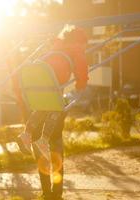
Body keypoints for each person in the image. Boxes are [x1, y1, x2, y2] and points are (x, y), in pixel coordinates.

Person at [16, 27, 88, 200]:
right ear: (80, 42)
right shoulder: (77, 51)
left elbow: (39, 66)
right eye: (85, 45)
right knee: (56, 150)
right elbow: (82, 76)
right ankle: (56, 193)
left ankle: (46, 191)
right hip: (54, 100)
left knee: (40, 151)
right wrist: (80, 87)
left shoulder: (54, 48)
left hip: (39, 97)